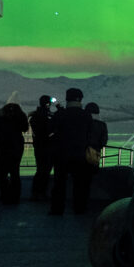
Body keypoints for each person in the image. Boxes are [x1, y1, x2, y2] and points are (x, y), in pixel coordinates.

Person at [49, 87, 94, 215]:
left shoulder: (60, 114)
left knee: (59, 184)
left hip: (61, 155)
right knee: (80, 185)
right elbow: (90, 133)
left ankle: (57, 209)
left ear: (67, 99)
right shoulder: (86, 115)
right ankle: (79, 209)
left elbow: (50, 129)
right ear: (80, 99)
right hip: (80, 155)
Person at [0, 102, 29, 205]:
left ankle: (5, 196)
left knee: (2, 174)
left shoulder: (0, 120)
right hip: (17, 147)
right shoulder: (20, 120)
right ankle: (15, 197)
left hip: (3, 148)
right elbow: (25, 128)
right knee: (15, 173)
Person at [28, 95, 55, 200]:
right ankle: (42, 193)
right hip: (48, 146)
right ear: (48, 104)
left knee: (39, 170)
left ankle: (35, 193)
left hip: (38, 147)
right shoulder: (49, 116)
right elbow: (50, 129)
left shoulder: (35, 116)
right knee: (46, 170)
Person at [85, 102, 109, 169]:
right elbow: (104, 142)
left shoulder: (83, 124)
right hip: (95, 155)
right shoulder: (102, 125)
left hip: (81, 155)